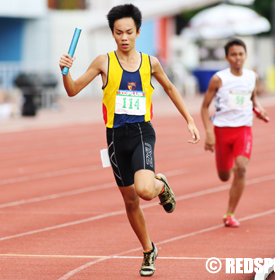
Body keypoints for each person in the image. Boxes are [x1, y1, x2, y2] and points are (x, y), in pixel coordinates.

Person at [59, 4, 200, 276]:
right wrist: (65, 72)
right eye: (118, 32)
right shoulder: (103, 62)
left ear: (137, 32)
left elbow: (170, 88)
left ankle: (161, 186)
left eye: (129, 32)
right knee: (130, 201)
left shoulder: (150, 63)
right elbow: (74, 90)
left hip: (141, 133)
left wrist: (190, 120)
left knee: (145, 190)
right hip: (115, 137)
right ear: (112, 34)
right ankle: (149, 251)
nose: (124, 38)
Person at [200, 38, 267, 228]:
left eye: (241, 54)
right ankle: (227, 166)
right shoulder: (218, 79)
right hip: (222, 131)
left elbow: (252, 99)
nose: (238, 58)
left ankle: (229, 213)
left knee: (242, 168)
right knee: (224, 176)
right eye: (234, 54)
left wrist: (260, 110)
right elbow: (204, 107)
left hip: (244, 130)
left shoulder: (251, 76)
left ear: (245, 56)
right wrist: (209, 133)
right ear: (227, 57)